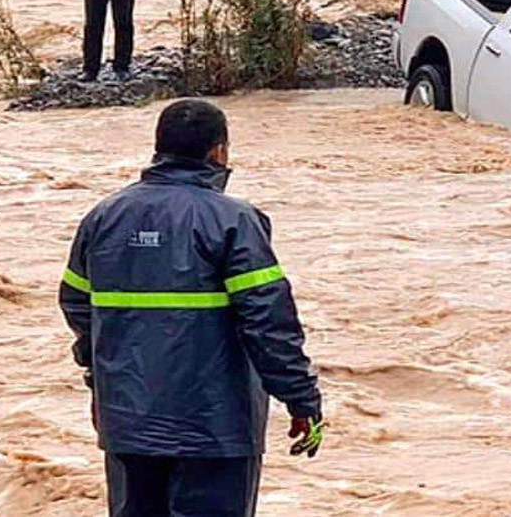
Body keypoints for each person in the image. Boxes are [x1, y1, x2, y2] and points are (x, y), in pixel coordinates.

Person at [58, 99, 325, 517]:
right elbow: (268, 323)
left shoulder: (104, 217)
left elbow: (77, 306)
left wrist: (100, 380)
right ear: (219, 151)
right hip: (215, 427)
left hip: (128, 421)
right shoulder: (234, 220)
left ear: (158, 148)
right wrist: (302, 400)